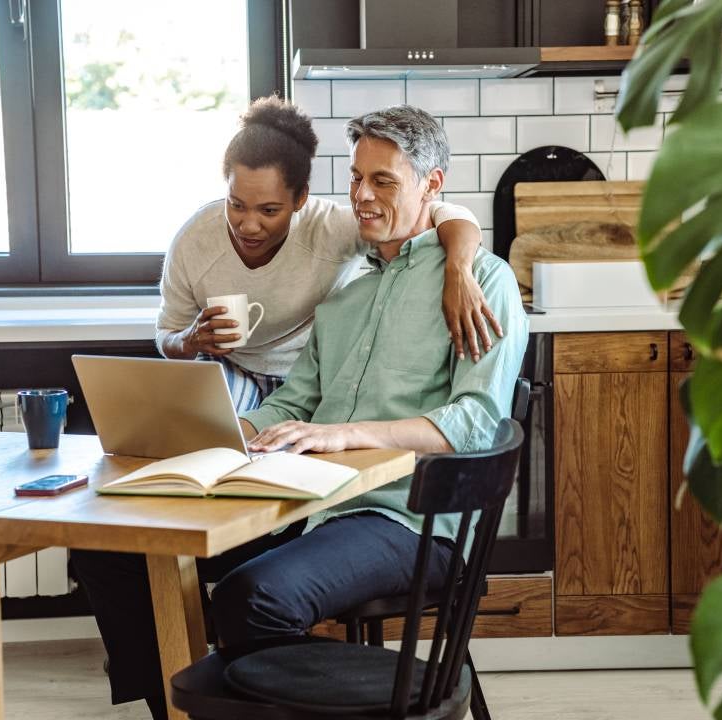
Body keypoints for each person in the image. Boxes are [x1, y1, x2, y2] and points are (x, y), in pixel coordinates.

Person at [71, 104, 527, 719]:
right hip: (315, 504)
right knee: (116, 548)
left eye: (383, 181)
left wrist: (343, 435)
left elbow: (474, 422)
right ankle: (173, 712)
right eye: (357, 178)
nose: (363, 196)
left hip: (408, 521)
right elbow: (296, 399)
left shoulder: (482, 282)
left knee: (253, 598)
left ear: (433, 186)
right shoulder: (347, 288)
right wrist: (222, 435)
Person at [153, 96, 503, 412]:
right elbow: (166, 333)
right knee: (208, 441)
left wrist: (459, 270)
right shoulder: (194, 242)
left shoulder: (330, 228)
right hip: (234, 368)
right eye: (236, 205)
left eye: (270, 210)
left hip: (308, 378)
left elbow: (446, 214)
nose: (248, 225)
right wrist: (189, 340)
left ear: (300, 199)